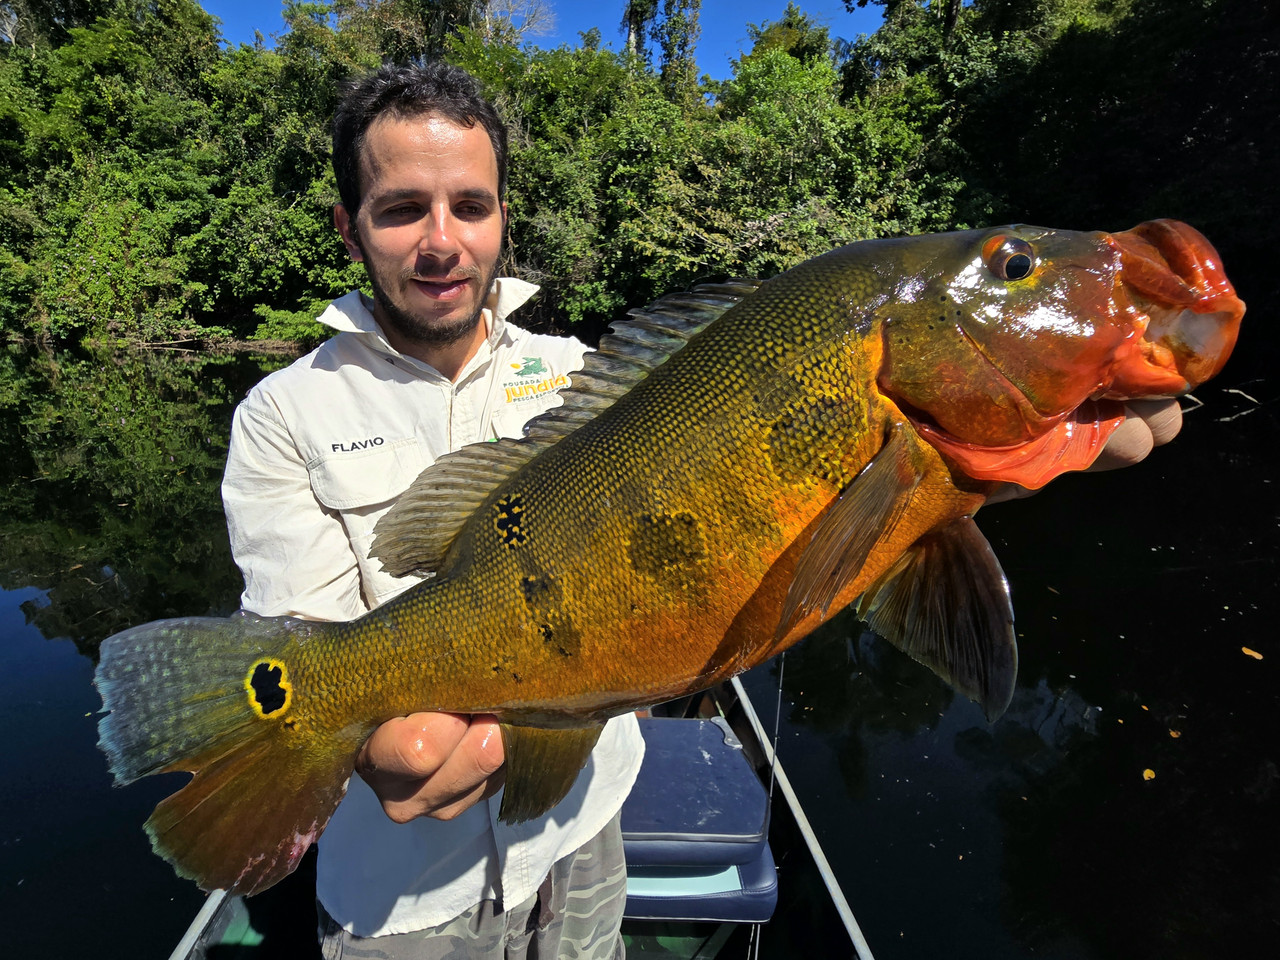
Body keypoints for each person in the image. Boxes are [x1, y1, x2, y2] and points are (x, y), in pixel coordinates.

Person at [220, 60, 1183, 959]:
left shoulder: (570, 374)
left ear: (501, 217)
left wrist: (1056, 433)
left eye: (469, 205)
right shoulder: (283, 413)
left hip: (580, 832)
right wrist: (347, 724)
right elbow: (298, 628)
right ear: (349, 227)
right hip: (401, 899)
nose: (442, 240)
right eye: (401, 210)